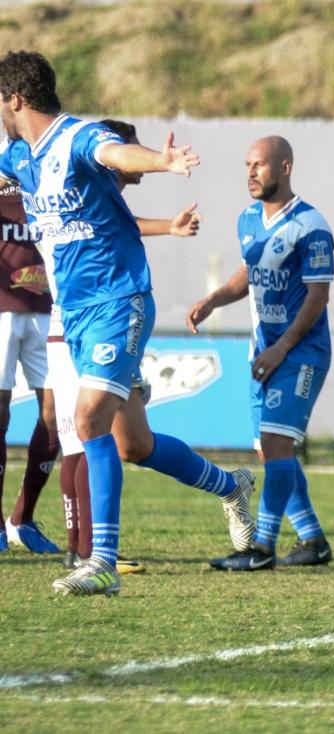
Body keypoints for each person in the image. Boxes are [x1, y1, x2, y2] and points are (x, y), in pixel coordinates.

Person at [0, 51, 255, 596]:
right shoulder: (20, 156)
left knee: (86, 420)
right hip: (75, 312)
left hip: (119, 301)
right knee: (132, 444)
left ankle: (102, 563)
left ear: (15, 99)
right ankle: (231, 486)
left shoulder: (76, 137)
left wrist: (161, 162)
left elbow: (115, 151)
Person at [53, 118, 202, 574]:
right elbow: (118, 159)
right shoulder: (73, 176)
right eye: (131, 147)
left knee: (120, 439)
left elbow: (122, 224)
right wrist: (161, 161)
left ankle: (96, 554)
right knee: (88, 433)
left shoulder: (96, 192)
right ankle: (87, 549)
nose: (135, 154)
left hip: (106, 317)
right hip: (69, 319)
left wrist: (169, 226)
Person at [188, 135, 334, 571]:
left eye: (260, 165)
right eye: (247, 165)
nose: (251, 173)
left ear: (285, 168)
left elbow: (318, 296)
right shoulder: (249, 219)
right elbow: (250, 272)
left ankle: (261, 547)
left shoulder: (311, 225)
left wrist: (282, 348)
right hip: (264, 352)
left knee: (275, 442)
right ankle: (313, 540)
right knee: (270, 450)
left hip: (301, 352)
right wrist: (215, 299)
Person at [0, 173, 60, 555]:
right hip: (2, 308)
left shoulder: (51, 157)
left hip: (47, 307)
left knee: (56, 415)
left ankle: (22, 519)